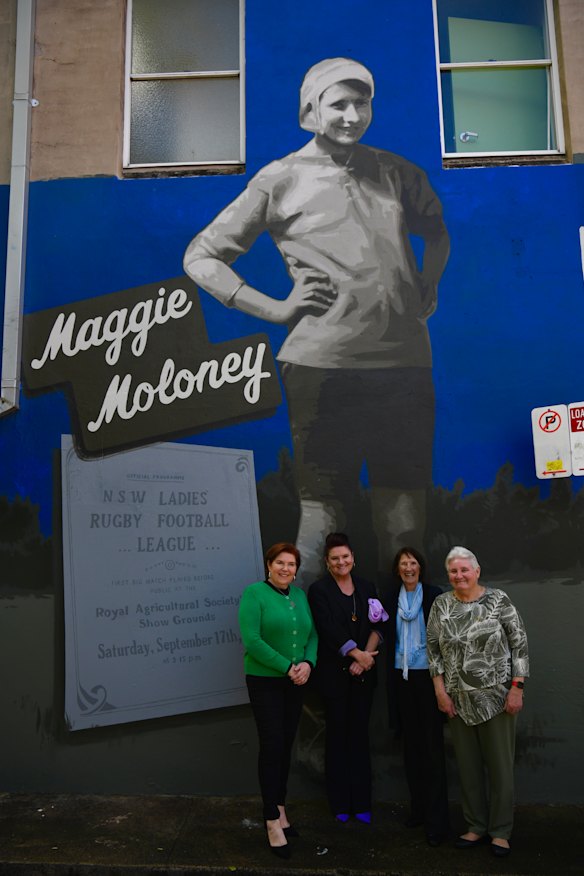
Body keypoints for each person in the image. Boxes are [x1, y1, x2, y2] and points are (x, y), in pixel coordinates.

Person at [184, 57, 450, 584]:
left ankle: (404, 653)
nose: (353, 115)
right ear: (310, 110)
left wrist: (429, 281)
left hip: (404, 366)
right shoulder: (278, 179)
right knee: (323, 517)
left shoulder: (398, 172)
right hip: (320, 368)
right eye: (338, 104)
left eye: (362, 103)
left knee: (403, 525)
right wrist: (277, 309)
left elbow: (437, 232)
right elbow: (201, 256)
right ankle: (306, 652)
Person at [426, 546, 529, 858]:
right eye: (453, 571)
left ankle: (500, 832)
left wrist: (517, 688)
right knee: (468, 770)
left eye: (464, 570)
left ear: (477, 571)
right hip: (457, 702)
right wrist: (440, 692)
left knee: (500, 770)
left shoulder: (498, 600)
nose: (459, 576)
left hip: (497, 698)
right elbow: (432, 651)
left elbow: (519, 644)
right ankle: (475, 826)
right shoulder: (441, 604)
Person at [238, 542, 318, 858]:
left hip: (296, 682)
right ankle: (270, 818)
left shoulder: (299, 595)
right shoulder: (254, 594)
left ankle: (281, 809)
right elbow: (252, 640)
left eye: (291, 564)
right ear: (269, 564)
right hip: (266, 682)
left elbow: (312, 635)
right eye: (280, 563)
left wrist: (308, 664)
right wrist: (287, 666)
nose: (286, 569)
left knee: (286, 745)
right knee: (272, 746)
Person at [307, 532, 384, 822]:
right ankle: (340, 804)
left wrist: (365, 658)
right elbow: (327, 629)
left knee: (360, 739)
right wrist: (356, 655)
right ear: (327, 562)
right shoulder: (319, 591)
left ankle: (362, 802)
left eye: (346, 557)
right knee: (337, 739)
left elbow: (380, 624)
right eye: (335, 558)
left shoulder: (367, 587)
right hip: (334, 678)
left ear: (353, 558)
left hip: (363, 676)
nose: (342, 562)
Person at [386, 547, 449, 846]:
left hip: (429, 677)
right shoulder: (390, 597)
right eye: (403, 564)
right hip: (401, 678)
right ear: (397, 569)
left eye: (413, 563)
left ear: (420, 568)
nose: (409, 568)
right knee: (411, 748)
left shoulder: (435, 594)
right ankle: (418, 811)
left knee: (432, 749)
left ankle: (437, 820)